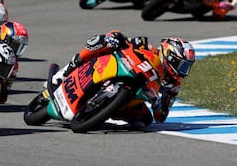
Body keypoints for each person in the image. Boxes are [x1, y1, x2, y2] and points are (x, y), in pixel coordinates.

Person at [50, 30, 195, 128]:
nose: (183, 71)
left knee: (144, 121)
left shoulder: (173, 84)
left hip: (134, 94)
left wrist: (156, 102)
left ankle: (105, 110)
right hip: (119, 66)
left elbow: (161, 117)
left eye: (187, 67)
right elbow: (126, 41)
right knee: (100, 41)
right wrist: (115, 40)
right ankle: (67, 70)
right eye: (182, 65)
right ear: (170, 56)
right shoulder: (148, 46)